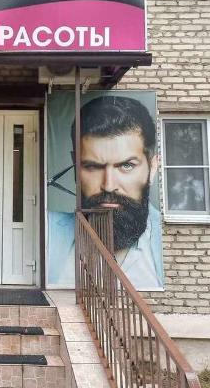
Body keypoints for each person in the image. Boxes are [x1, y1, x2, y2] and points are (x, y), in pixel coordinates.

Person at [48, 95, 164, 290]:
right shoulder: (47, 231)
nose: (109, 186)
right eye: (93, 166)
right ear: (76, 166)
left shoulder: (162, 243)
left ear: (152, 168)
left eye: (126, 165)